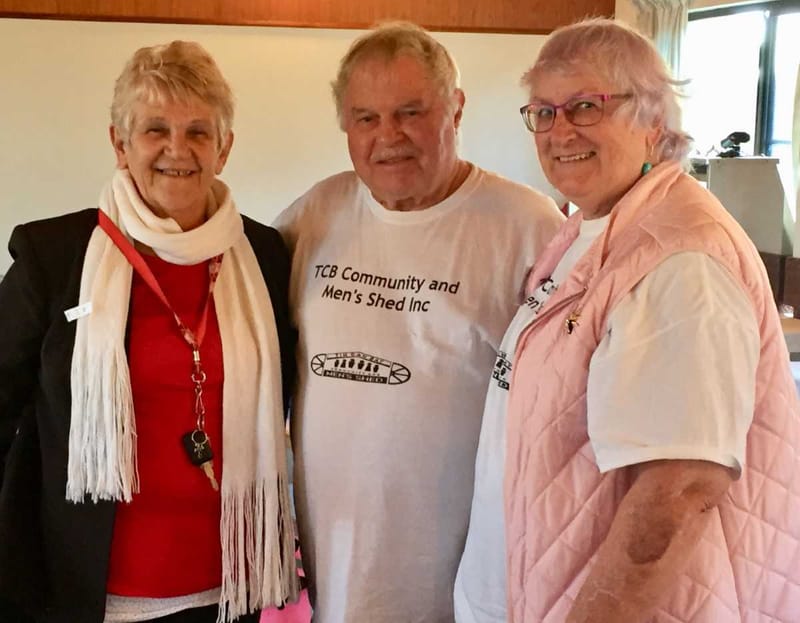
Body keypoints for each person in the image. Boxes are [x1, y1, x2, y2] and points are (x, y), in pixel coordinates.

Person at [495, 18, 800, 623]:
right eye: (544, 112)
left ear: (654, 122)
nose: (560, 131)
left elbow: (680, 490)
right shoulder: (588, 229)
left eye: (586, 106)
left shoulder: (682, 260)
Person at [273, 21, 563, 623]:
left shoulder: (525, 226)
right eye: (366, 118)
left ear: (456, 108)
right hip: (335, 560)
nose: (389, 137)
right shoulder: (314, 215)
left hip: (469, 567)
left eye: (411, 112)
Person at [0, 41, 298, 623]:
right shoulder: (53, 255)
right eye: (154, 129)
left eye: (198, 132)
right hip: (85, 591)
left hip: (227, 589)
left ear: (225, 147)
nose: (176, 150)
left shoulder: (264, 256)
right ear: (119, 142)